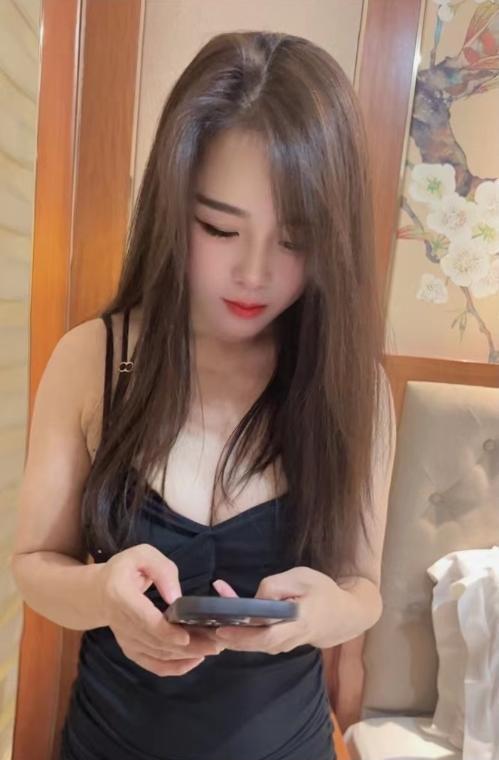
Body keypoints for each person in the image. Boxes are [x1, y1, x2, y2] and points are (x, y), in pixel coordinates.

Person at [11, 30, 396, 760]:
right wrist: (103, 592)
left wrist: (321, 615)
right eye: (220, 227)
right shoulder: (95, 360)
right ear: (171, 204)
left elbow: (363, 588)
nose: (254, 273)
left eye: (294, 239)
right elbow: (35, 564)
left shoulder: (350, 386)